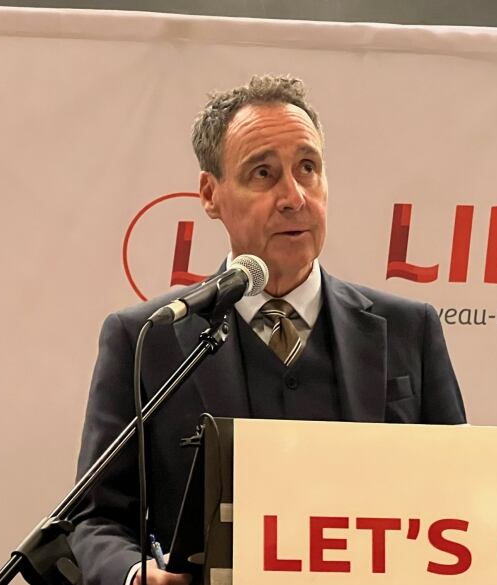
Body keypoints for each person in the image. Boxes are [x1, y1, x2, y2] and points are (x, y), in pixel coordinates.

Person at [69, 74, 466, 585]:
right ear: (211, 195)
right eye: (263, 173)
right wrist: (133, 574)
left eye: (308, 168)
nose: (294, 196)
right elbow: (94, 517)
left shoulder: (410, 329)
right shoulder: (148, 337)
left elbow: (460, 495)